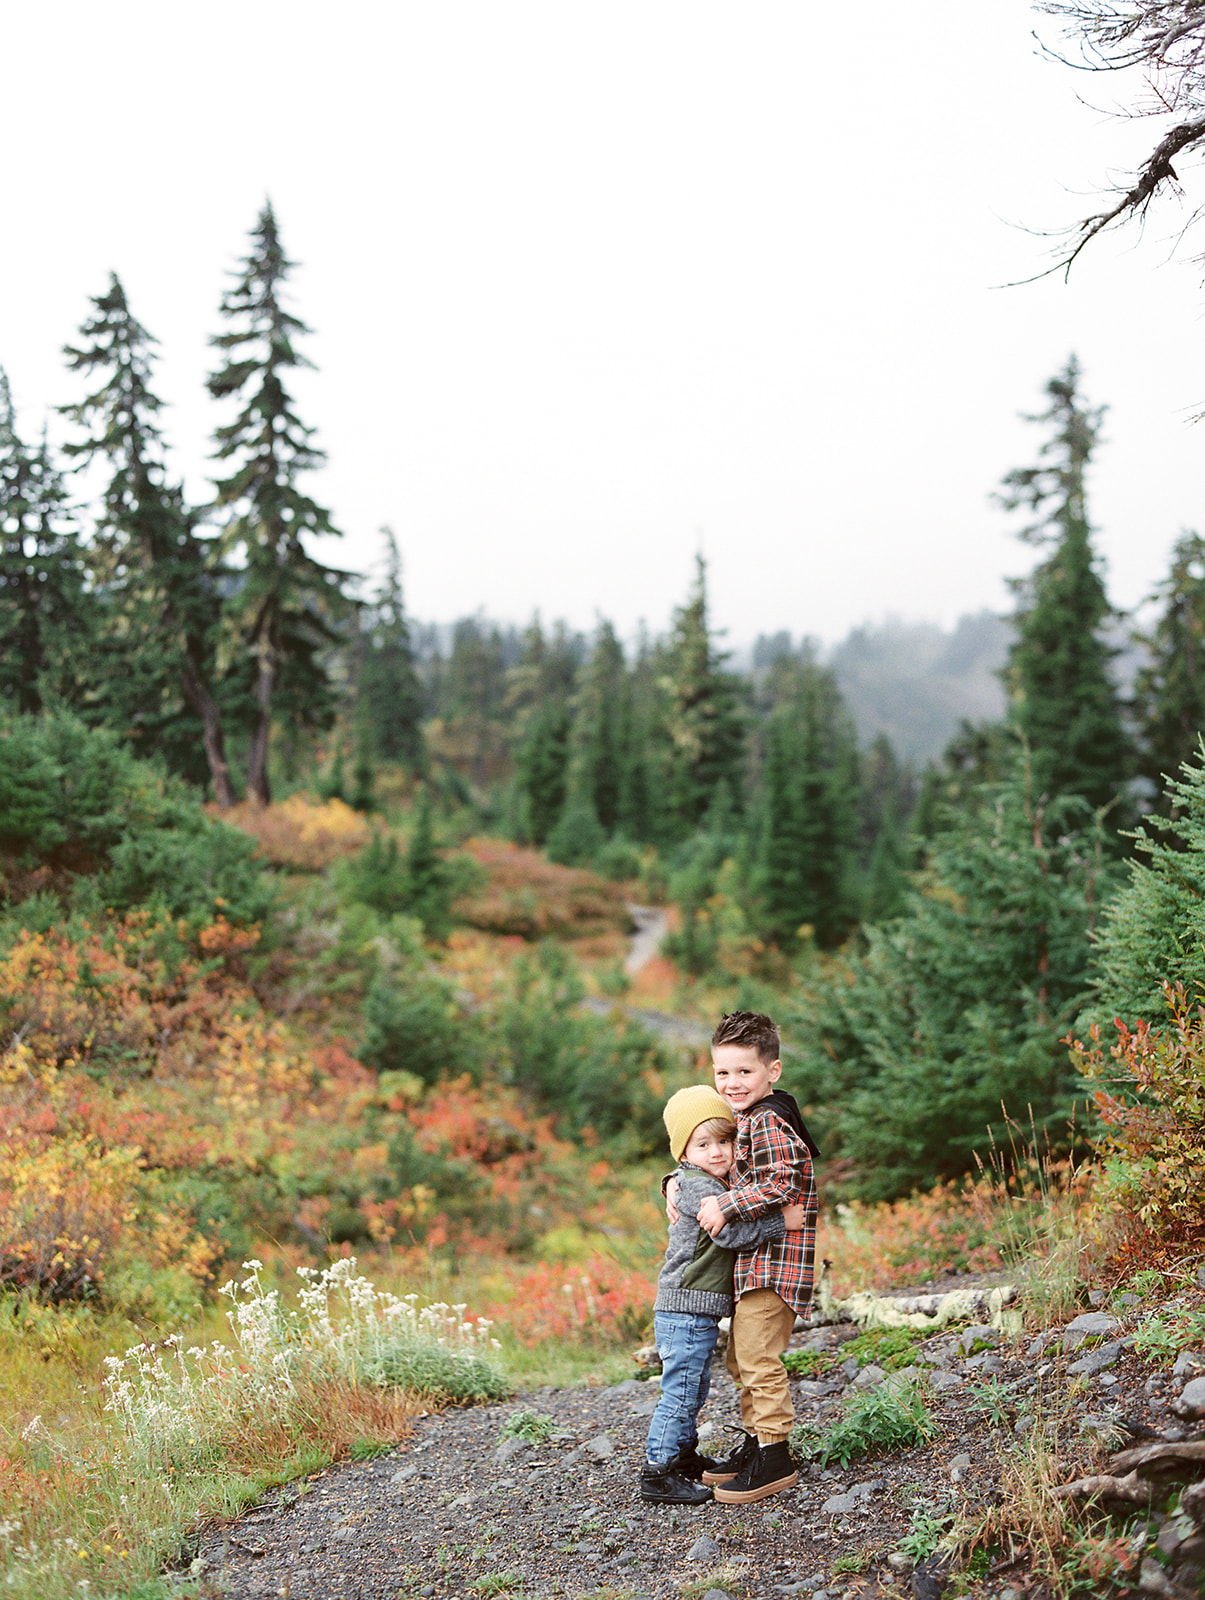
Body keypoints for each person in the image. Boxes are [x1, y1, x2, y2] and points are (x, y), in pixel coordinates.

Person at [641, 1083, 808, 1506]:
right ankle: (657, 1471)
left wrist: (671, 1180)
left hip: (693, 1308)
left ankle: (682, 1456)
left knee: (692, 1389)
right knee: (681, 1392)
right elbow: (729, 1234)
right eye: (703, 1144)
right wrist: (781, 1223)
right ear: (683, 1151)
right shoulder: (703, 1188)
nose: (717, 1152)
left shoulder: (699, 1180)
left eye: (724, 1142)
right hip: (685, 1307)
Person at [690, 1010, 819, 1505]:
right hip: (756, 1265)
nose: (732, 1082)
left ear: (773, 1070)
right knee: (741, 1357)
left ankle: (774, 1456)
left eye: (745, 1070)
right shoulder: (749, 1118)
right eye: (723, 1072)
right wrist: (676, 1183)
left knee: (758, 1358)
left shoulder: (766, 1120)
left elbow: (782, 1182)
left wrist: (726, 1204)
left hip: (776, 1264)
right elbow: (718, 1164)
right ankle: (755, 1443)